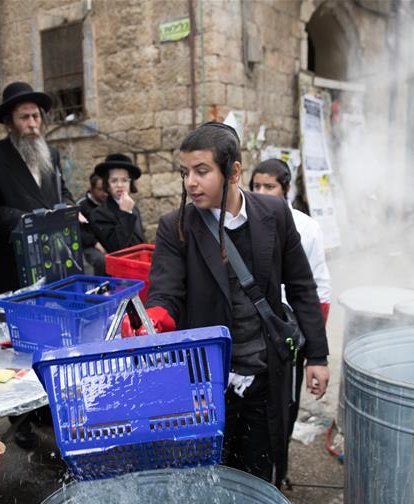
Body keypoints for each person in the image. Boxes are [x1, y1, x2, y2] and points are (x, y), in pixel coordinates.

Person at [134, 122, 330, 485]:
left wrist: (317, 356)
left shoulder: (274, 213)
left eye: (201, 171)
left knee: (262, 471)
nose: (190, 183)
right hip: (207, 380)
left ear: (234, 171)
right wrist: (157, 318)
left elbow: (302, 286)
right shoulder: (176, 226)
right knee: (211, 474)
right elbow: (165, 291)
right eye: (185, 173)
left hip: (266, 372)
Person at [250, 159, 331, 465]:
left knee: (286, 402)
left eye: (269, 186)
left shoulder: (306, 228)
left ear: (285, 190)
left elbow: (316, 287)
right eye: (256, 186)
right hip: (254, 330)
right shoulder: (244, 223)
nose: (261, 192)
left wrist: (315, 351)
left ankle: (279, 467)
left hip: (290, 330)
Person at [0, 81, 74, 293]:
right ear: (10, 122)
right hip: (15, 263)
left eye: (35, 116)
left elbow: (61, 190)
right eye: (24, 117)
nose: (32, 124)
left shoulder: (51, 153)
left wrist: (71, 209)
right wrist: (27, 220)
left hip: (55, 258)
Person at [90, 153, 147, 253]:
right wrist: (125, 214)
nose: (119, 185)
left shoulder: (134, 209)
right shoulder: (99, 214)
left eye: (124, 180)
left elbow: (140, 241)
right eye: (114, 180)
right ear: (107, 184)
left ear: (130, 183)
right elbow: (117, 248)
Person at [77, 172, 109, 275]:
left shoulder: (109, 203)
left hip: (106, 241)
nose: (104, 193)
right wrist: (95, 243)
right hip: (89, 246)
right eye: (100, 189)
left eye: (105, 189)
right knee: (101, 260)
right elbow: (79, 231)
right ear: (91, 189)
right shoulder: (81, 206)